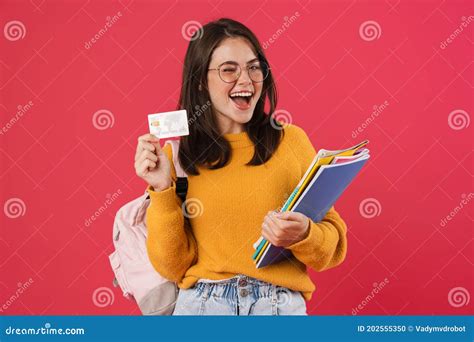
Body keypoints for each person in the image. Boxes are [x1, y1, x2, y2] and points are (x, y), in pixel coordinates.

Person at [134, 18, 347, 315]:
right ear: (200, 80)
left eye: (253, 67)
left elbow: (332, 249)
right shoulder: (179, 155)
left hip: (278, 308)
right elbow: (173, 266)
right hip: (202, 309)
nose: (246, 81)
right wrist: (161, 188)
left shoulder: (291, 142)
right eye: (229, 70)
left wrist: (304, 235)